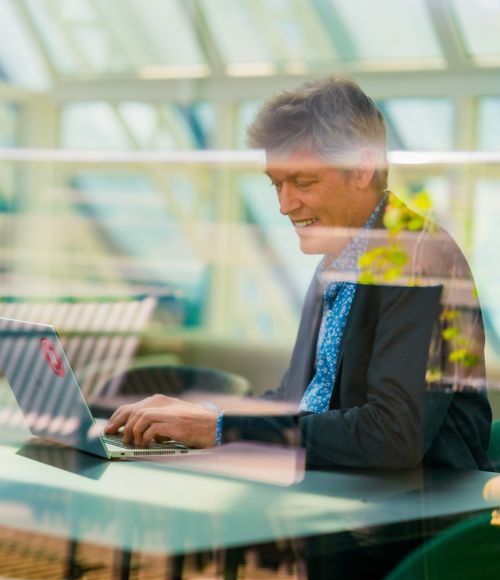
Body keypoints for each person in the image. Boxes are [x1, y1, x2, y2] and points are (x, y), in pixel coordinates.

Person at [105, 76, 492, 471]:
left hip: (416, 514)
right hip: (339, 494)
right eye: (276, 185)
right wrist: (198, 416)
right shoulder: (339, 259)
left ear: (361, 169)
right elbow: (300, 401)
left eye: (303, 182)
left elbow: (393, 435)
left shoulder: (418, 255)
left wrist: (221, 428)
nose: (285, 205)